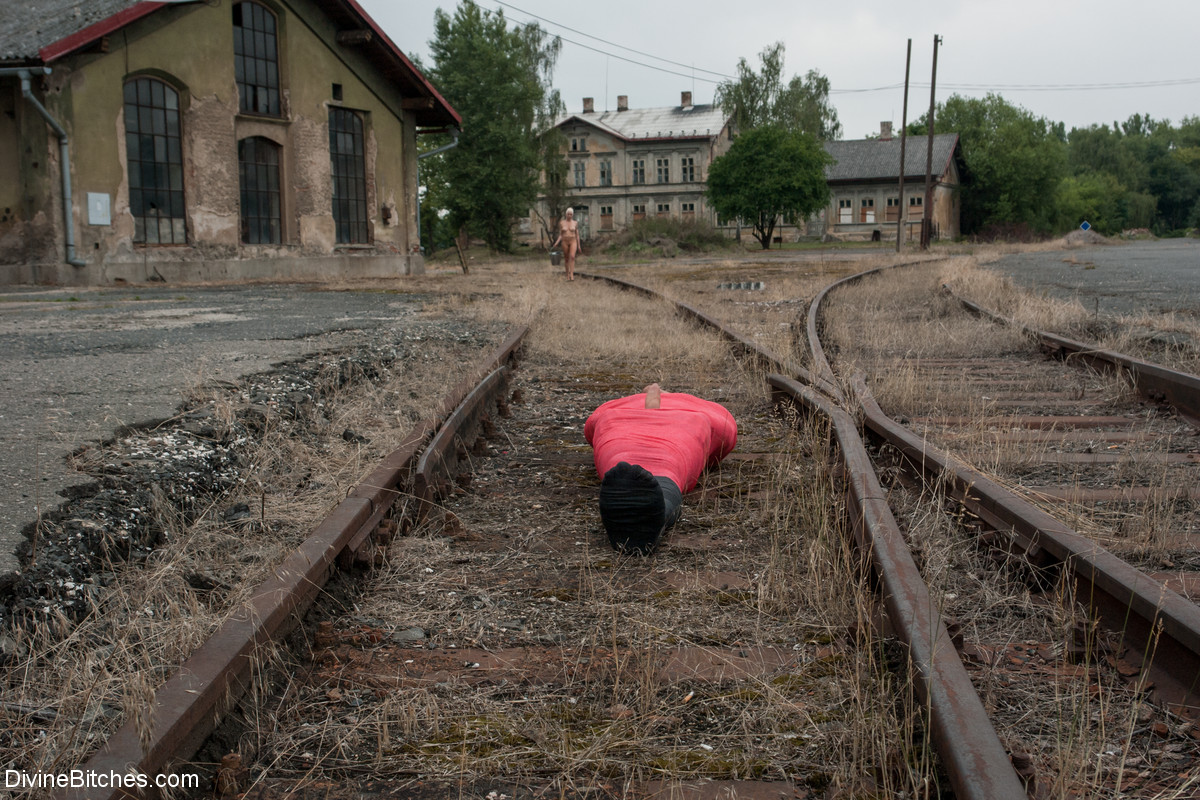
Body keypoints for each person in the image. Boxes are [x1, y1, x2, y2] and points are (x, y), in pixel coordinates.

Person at [584, 384, 737, 554]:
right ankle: (661, 511)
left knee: (631, 458)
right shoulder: (705, 411)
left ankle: (654, 510)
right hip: (682, 427)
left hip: (620, 427)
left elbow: (592, 428)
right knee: (670, 469)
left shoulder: (615, 406)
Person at [551, 208, 582, 281]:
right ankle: (567, 275)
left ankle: (572, 274)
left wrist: (579, 246)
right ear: (566, 214)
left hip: (573, 241)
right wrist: (556, 243)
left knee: (572, 257)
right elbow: (561, 235)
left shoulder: (575, 223)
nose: (569, 215)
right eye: (568, 214)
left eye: (571, 214)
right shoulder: (562, 223)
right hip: (564, 241)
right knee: (566, 258)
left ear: (572, 215)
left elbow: (577, 235)